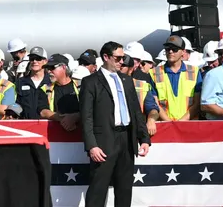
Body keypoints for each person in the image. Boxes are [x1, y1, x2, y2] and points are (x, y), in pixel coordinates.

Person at [80, 42, 150, 207]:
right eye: (118, 58)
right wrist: (92, 146)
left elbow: (136, 111)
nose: (122, 62)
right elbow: (86, 116)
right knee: (98, 189)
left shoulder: (126, 80)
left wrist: (144, 138)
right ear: (106, 57)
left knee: (124, 189)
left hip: (127, 138)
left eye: (123, 58)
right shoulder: (90, 82)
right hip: (104, 140)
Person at [152, 34, 201, 122]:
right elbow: (155, 104)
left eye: (174, 49)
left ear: (183, 52)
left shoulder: (194, 71)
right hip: (165, 125)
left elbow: (197, 103)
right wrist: (170, 124)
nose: (170, 51)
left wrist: (180, 123)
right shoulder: (154, 73)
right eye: (167, 49)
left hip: (189, 125)